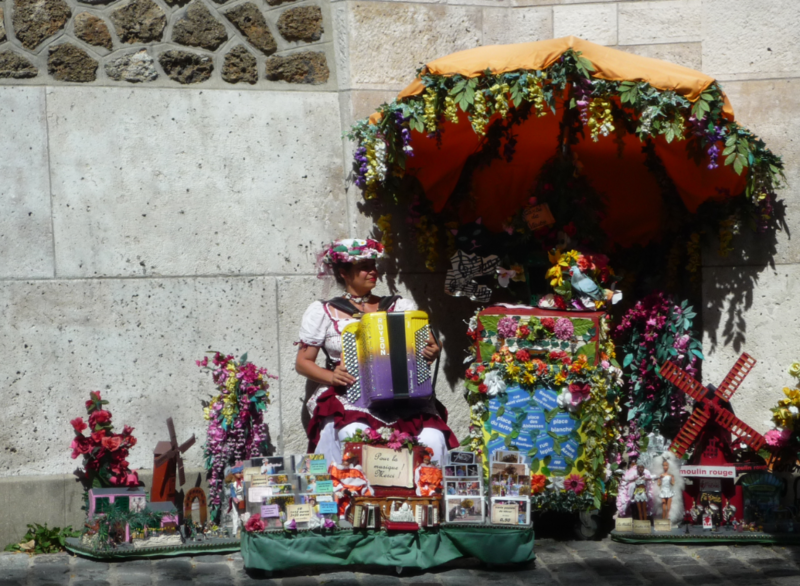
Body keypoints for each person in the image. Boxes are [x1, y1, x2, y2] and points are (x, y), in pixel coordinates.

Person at [296, 238, 460, 465]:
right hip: (349, 394)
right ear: (344, 272)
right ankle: (355, 494)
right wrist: (332, 376)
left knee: (432, 439)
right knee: (354, 434)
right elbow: (303, 362)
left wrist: (434, 349)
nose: (373, 271)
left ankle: (425, 495)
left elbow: (430, 343)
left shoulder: (401, 306)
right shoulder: (323, 311)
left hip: (405, 397)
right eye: (364, 267)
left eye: (374, 266)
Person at [329, 451, 374, 519]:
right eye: (346, 460)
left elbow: (360, 483)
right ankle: (335, 515)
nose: (346, 463)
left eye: (349, 461)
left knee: (351, 499)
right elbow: (334, 481)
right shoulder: (337, 469)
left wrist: (352, 490)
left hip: (353, 490)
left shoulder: (355, 470)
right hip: (341, 489)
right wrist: (342, 489)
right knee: (336, 497)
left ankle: (345, 514)